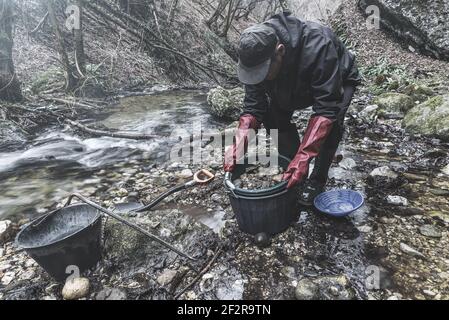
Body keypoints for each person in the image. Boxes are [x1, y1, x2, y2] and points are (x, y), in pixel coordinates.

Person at [223, 11, 361, 206]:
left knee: (331, 126)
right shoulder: (255, 54)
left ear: (280, 51)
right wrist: (238, 145)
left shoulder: (318, 44)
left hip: (337, 77)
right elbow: (254, 106)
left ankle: (316, 180)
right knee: (273, 118)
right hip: (288, 81)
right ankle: (291, 166)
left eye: (262, 73)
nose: (257, 78)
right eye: (253, 74)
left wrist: (305, 156)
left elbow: (326, 108)